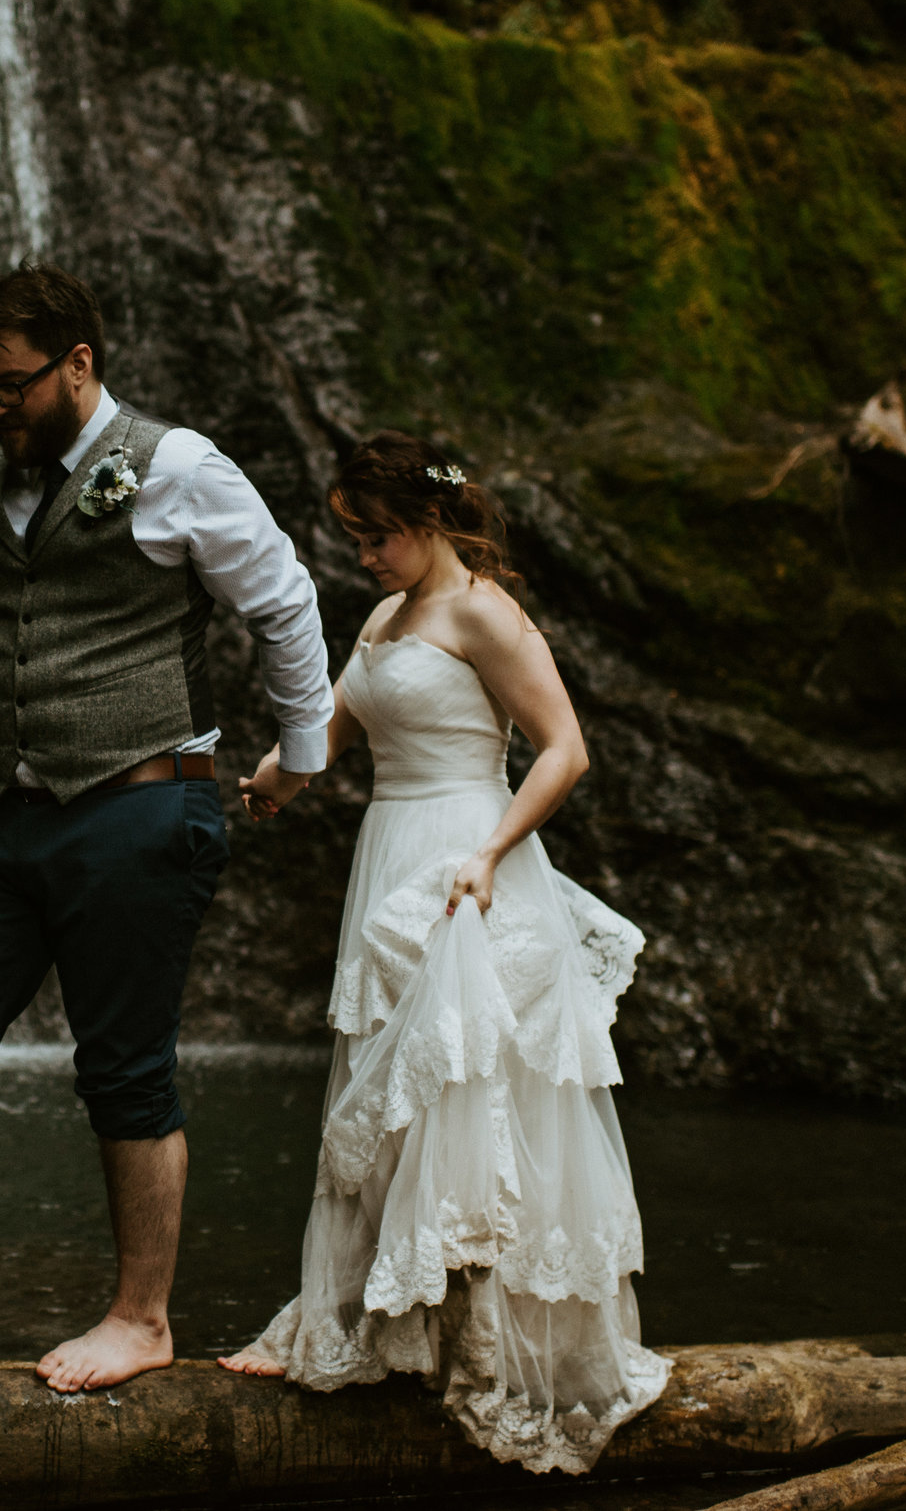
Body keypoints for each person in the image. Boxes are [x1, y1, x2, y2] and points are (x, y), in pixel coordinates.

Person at [0, 262, 333, 1395]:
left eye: (13, 385)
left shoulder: (177, 468)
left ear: (78, 363)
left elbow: (283, 602)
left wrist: (306, 754)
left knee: (123, 1070)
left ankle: (140, 1317)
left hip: (141, 804)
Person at [217, 430, 671, 1472]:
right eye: (355, 539)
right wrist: (270, 780)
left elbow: (565, 748)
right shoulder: (384, 616)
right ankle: (381, 1330)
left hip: (468, 858)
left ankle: (484, 1354)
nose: (362, 556)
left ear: (426, 526)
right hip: (389, 854)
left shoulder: (485, 612)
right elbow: (330, 727)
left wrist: (491, 851)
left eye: (374, 537)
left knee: (470, 1095)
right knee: (388, 1090)